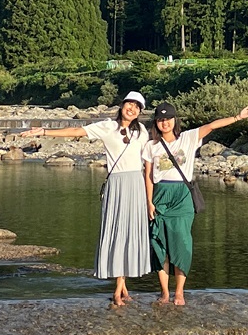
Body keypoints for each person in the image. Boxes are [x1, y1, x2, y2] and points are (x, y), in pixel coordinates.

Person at [20, 91, 151, 306]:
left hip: (136, 183)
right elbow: (76, 131)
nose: (132, 109)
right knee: (117, 232)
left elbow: (151, 156)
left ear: (140, 112)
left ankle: (123, 287)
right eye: (130, 104)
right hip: (117, 184)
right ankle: (118, 291)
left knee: (131, 232)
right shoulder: (108, 126)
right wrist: (44, 131)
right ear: (122, 105)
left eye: (137, 107)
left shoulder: (141, 131)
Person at [143, 102, 248, 305]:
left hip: (182, 196)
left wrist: (238, 117)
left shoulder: (188, 138)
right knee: (159, 243)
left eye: (168, 118)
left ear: (174, 120)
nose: (165, 123)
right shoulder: (151, 146)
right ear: (156, 122)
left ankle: (179, 292)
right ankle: (164, 292)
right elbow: (148, 176)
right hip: (160, 195)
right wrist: (149, 202)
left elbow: (212, 125)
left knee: (182, 242)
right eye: (160, 120)